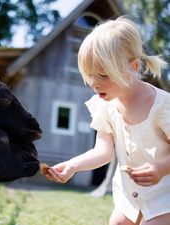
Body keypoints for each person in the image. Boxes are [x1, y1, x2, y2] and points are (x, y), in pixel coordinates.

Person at [45, 16, 170, 225]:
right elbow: (103, 151)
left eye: (103, 75)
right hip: (129, 195)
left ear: (133, 67)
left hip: (164, 194)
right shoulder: (105, 106)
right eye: (90, 75)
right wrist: (72, 166)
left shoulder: (163, 106)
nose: (94, 84)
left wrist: (161, 168)